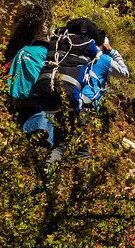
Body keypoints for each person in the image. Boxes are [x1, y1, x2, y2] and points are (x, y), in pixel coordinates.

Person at [47, 30, 129, 168]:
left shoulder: (75, 54)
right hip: (85, 107)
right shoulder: (102, 58)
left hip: (66, 100)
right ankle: (79, 188)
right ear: (103, 44)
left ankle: (45, 176)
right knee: (84, 152)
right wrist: (112, 51)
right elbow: (124, 73)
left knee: (60, 146)